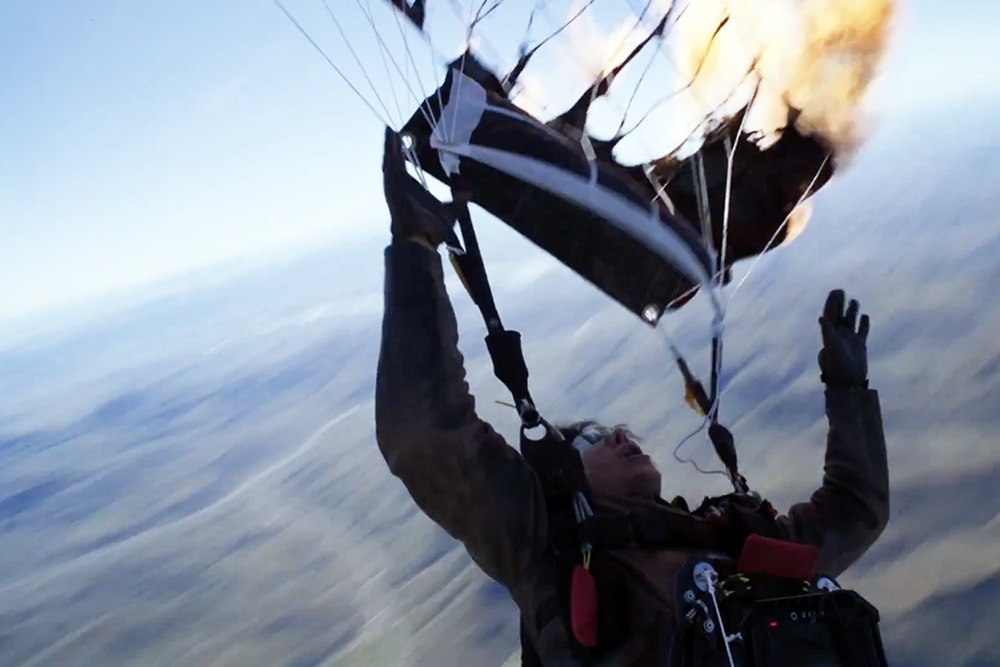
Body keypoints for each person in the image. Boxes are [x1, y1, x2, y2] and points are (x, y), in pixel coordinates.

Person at [374, 128, 890, 666]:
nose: (619, 436)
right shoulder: (544, 551)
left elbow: (857, 511)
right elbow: (424, 436)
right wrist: (414, 248)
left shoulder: (734, 537)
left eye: (611, 431)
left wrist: (849, 391)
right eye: (593, 440)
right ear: (565, 479)